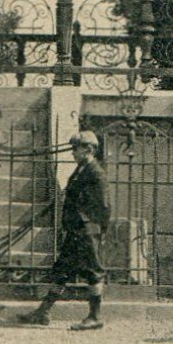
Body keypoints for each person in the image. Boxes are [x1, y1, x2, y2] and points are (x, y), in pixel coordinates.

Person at [20, 129, 110, 331]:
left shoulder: (96, 173)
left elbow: (103, 206)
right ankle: (43, 312)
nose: (73, 153)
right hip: (76, 231)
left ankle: (95, 316)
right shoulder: (81, 170)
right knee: (62, 271)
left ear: (88, 149)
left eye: (76, 149)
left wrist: (95, 230)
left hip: (86, 231)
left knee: (93, 272)